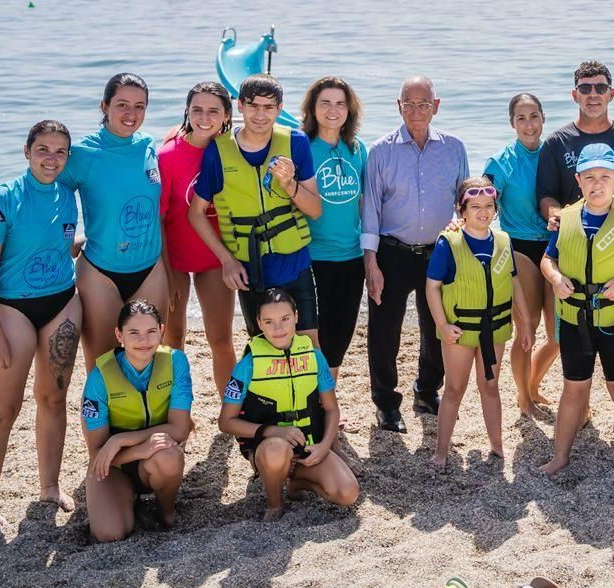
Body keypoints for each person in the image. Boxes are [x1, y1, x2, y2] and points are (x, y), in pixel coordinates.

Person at [0, 119, 82, 528]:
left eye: (59, 152)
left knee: (53, 400)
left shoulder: (68, 195)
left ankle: (50, 487)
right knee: (2, 410)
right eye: (43, 150)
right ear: (27, 151)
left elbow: (59, 242)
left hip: (62, 303)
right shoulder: (2, 200)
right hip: (11, 310)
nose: (51, 159)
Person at [540, 144, 614, 476]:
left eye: (605, 177)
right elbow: (548, 258)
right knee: (574, 388)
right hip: (575, 318)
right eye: (590, 177)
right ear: (578, 180)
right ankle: (560, 457)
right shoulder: (566, 219)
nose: (597, 184)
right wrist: (554, 277)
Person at [360, 75, 469, 432]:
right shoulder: (381, 151)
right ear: (399, 107)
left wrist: (463, 236)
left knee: (437, 326)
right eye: (410, 104)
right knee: (384, 330)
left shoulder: (454, 148)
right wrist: (371, 263)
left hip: (438, 251)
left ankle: (426, 390)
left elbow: (463, 202)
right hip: (392, 252)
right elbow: (371, 211)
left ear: (435, 107)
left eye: (424, 104)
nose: (417, 111)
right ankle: (386, 403)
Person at [188, 73, 323, 344]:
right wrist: (227, 260)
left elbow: (315, 210)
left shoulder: (295, 143)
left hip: (295, 263)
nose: (260, 115)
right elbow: (196, 213)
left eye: (268, 107)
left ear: (280, 109)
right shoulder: (218, 150)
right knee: (264, 349)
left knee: (309, 349)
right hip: (250, 270)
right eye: (253, 106)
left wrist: (290, 185)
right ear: (239, 106)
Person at [217, 288, 360, 521]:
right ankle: (275, 502)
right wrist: (272, 431)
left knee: (347, 493)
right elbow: (226, 422)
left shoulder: (315, 357)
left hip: (308, 447)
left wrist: (324, 447)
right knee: (276, 449)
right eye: (269, 321)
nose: (278, 328)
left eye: (285, 319)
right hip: (267, 447)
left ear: (296, 317)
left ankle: (297, 480)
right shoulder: (247, 365)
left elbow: (332, 410)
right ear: (259, 324)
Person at [61, 73, 168, 364]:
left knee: (151, 358)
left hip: (150, 269)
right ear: (104, 106)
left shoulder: (147, 144)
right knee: (104, 362)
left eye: (139, 106)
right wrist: (66, 236)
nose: (131, 114)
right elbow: (51, 193)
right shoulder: (84, 152)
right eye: (122, 104)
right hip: (100, 273)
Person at [80, 300, 192, 541]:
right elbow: (99, 453)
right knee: (110, 534)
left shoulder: (176, 362)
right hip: (114, 467)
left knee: (168, 455)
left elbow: (180, 429)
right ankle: (124, 498)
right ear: (119, 335)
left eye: (151, 332)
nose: (144, 341)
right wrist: (140, 449)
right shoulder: (99, 377)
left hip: (154, 457)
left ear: (162, 330)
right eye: (134, 333)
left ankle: (166, 512)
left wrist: (121, 439)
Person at [424, 177, 513, 469]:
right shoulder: (448, 244)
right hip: (460, 331)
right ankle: (441, 451)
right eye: (475, 206)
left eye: (488, 206)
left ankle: (497, 446)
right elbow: (432, 286)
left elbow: (515, 283)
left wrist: (525, 323)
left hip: (494, 328)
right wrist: (443, 325)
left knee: (490, 386)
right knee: (454, 389)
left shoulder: (503, 240)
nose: (483, 212)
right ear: (462, 209)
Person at [157, 82, 237, 395]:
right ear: (187, 113)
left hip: (215, 258)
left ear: (227, 114)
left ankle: (232, 409)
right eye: (197, 110)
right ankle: (174, 408)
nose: (205, 117)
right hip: (174, 258)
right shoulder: (168, 155)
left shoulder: (233, 149)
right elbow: (159, 220)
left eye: (213, 110)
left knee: (221, 339)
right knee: (172, 339)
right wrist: (164, 272)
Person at [483, 93, 560, 416]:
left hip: (556, 246)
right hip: (520, 247)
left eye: (534, 116)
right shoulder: (501, 161)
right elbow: (484, 196)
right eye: (521, 118)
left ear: (543, 118)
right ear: (512, 123)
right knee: (526, 328)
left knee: (558, 335)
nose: (528, 125)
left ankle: (531, 385)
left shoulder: (555, 153)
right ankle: (524, 400)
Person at [301, 76, 368, 386]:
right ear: (313, 109)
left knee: (340, 336)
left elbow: (365, 204)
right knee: (314, 335)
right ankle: (311, 400)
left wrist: (371, 253)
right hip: (312, 256)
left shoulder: (357, 149)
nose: (333, 110)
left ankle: (328, 400)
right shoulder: (301, 147)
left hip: (351, 257)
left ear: (349, 109)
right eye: (325, 103)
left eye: (340, 103)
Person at [535, 61, 614, 224]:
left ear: (611, 94)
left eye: (601, 88)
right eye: (585, 88)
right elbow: (546, 195)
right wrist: (557, 216)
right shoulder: (556, 142)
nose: (593, 94)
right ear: (575, 95)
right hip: (573, 231)